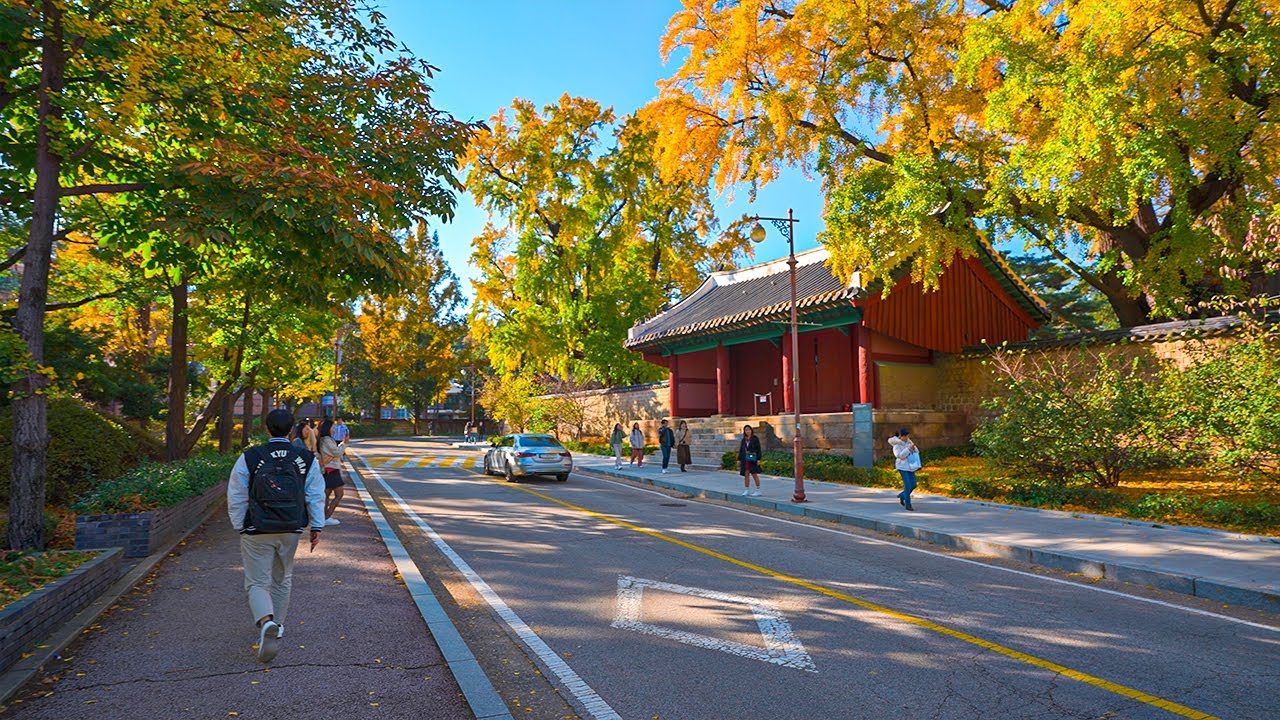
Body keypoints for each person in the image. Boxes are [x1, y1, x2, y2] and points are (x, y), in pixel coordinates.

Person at [227, 409, 325, 663]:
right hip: (291, 526)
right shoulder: (304, 457)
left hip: (257, 527)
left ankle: (266, 622)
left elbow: (236, 493)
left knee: (257, 582)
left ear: (267, 429)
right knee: (283, 578)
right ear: (292, 429)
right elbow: (315, 493)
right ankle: (278, 625)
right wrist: (316, 526)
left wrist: (240, 524)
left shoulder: (251, 456)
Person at [316, 419, 344, 526]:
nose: (334, 429)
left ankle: (324, 517)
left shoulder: (324, 439)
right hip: (332, 470)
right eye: (333, 426)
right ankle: (326, 517)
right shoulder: (327, 440)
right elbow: (337, 452)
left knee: (327, 495)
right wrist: (343, 444)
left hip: (328, 470)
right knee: (339, 494)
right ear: (328, 428)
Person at [888, 427, 919, 511]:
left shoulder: (909, 442)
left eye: (908, 436)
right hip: (902, 467)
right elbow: (900, 456)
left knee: (914, 484)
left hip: (911, 466)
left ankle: (902, 495)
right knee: (908, 485)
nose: (907, 438)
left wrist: (913, 447)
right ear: (900, 436)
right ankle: (908, 505)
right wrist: (908, 449)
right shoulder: (896, 445)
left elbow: (917, 452)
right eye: (905, 436)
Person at [738, 424, 762, 496]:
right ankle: (747, 490)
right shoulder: (744, 440)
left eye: (749, 430)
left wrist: (758, 459)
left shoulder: (755, 439)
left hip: (753, 459)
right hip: (745, 459)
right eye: (746, 430)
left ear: (751, 430)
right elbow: (741, 450)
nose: (747, 431)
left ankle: (758, 490)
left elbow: (759, 449)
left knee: (754, 474)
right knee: (746, 474)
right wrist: (739, 459)